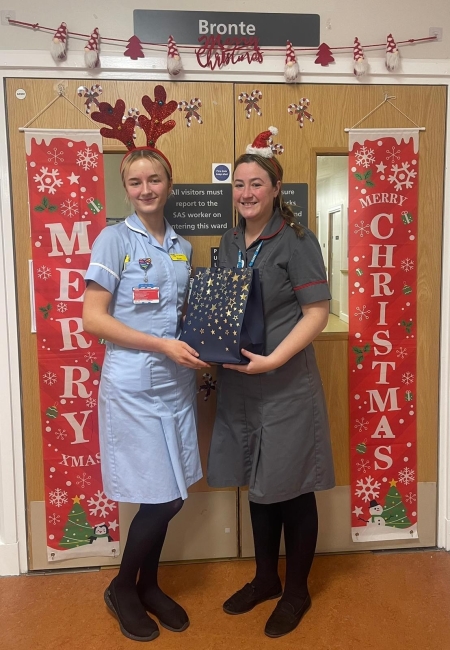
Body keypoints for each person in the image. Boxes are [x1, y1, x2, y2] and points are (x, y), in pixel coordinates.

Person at [207, 127, 335, 638]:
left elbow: (318, 312)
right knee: (259, 487)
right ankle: (265, 578)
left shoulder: (297, 240)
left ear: (276, 188)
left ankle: (296, 590)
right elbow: (226, 303)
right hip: (242, 384)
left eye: (256, 183)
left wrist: (273, 360)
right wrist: (208, 346)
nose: (246, 193)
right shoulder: (230, 239)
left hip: (283, 382)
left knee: (292, 488)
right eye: (239, 184)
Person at [83, 145, 209, 642]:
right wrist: (161, 344)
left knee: (173, 494)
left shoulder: (181, 245)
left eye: (153, 179)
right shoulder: (114, 240)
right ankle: (123, 588)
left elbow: (182, 315)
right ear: (126, 188)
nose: (145, 190)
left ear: (168, 184)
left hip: (175, 385)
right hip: (133, 386)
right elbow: (94, 319)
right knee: (157, 497)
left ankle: (149, 584)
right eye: (135, 182)